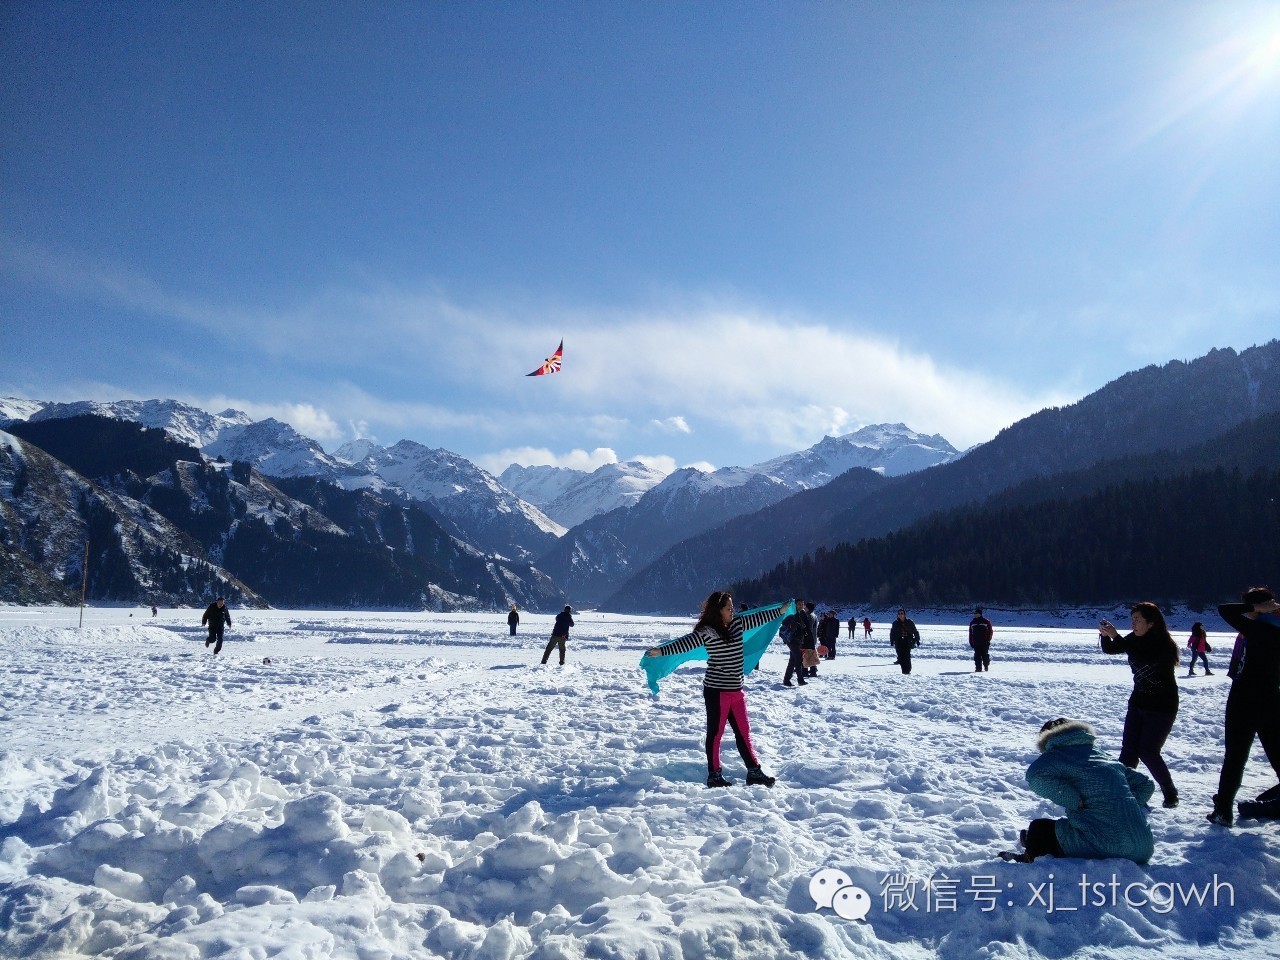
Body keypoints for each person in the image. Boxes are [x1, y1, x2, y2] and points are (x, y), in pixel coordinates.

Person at [645, 591, 782, 788]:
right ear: (718, 611)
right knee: (716, 733)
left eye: (732, 607)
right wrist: (661, 651)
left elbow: (757, 618)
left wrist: (781, 610)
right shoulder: (707, 632)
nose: (732, 610)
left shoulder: (737, 624)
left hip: (736, 691)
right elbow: (685, 644)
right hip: (717, 691)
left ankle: (754, 771)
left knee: (743, 732)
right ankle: (714, 775)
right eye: (728, 608)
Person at [1002, 718, 1154, 864]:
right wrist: (1120, 805)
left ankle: (1030, 856)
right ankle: (1031, 841)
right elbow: (1145, 785)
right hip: (1143, 847)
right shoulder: (1103, 757)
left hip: (1110, 845)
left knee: (1039, 828)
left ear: (1047, 738)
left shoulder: (1058, 753)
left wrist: (1073, 799)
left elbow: (1035, 776)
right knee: (1067, 828)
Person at [1207, 586, 1280, 826]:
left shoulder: (1258, 628)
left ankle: (1223, 810)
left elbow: (1224, 610)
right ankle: (1224, 808)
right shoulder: (1274, 628)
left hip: (1244, 700)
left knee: (1235, 757)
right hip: (1271, 699)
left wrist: (1255, 609)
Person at [1099, 603, 1180, 808]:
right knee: (1129, 750)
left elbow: (1142, 656)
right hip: (1138, 703)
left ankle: (1169, 791)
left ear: (1151, 623)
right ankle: (1121, 792)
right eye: (1132, 619)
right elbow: (1112, 649)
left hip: (1161, 707)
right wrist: (1105, 634)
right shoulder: (1134, 639)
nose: (1133, 623)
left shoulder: (1163, 644)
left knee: (1148, 751)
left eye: (1138, 620)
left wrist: (1117, 637)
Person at [781, 601, 814, 686]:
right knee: (799, 658)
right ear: (795, 605)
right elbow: (784, 623)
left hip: (799, 640)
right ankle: (800, 679)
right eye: (799, 604)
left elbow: (808, 627)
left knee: (792, 660)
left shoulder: (803, 615)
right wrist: (791, 624)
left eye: (802, 604)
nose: (801, 606)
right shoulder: (792, 614)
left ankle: (786, 680)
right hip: (792, 640)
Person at [890, 608, 920, 674]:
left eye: (902, 613)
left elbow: (915, 631)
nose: (900, 615)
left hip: (907, 640)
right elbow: (892, 632)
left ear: (904, 614)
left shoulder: (909, 622)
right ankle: (904, 671)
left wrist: (917, 639)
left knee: (907, 656)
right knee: (900, 657)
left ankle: (908, 670)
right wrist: (892, 640)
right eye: (899, 613)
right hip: (899, 641)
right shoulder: (895, 623)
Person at [969, 607, 993, 672]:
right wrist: (971, 642)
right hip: (976, 643)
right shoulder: (972, 622)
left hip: (984, 642)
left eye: (976, 613)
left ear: (980, 614)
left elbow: (990, 631)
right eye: (974, 613)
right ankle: (978, 669)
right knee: (977, 657)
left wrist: (988, 640)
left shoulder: (986, 621)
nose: (974, 614)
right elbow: (970, 633)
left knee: (985, 656)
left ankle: (986, 666)